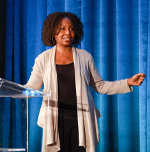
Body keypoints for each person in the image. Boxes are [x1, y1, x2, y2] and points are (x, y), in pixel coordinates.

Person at [26, 12, 146, 152]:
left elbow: (100, 86)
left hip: (81, 119)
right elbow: (31, 88)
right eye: (62, 28)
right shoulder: (43, 59)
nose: (68, 33)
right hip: (55, 120)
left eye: (71, 28)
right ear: (53, 31)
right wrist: (10, 90)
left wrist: (128, 82)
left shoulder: (85, 57)